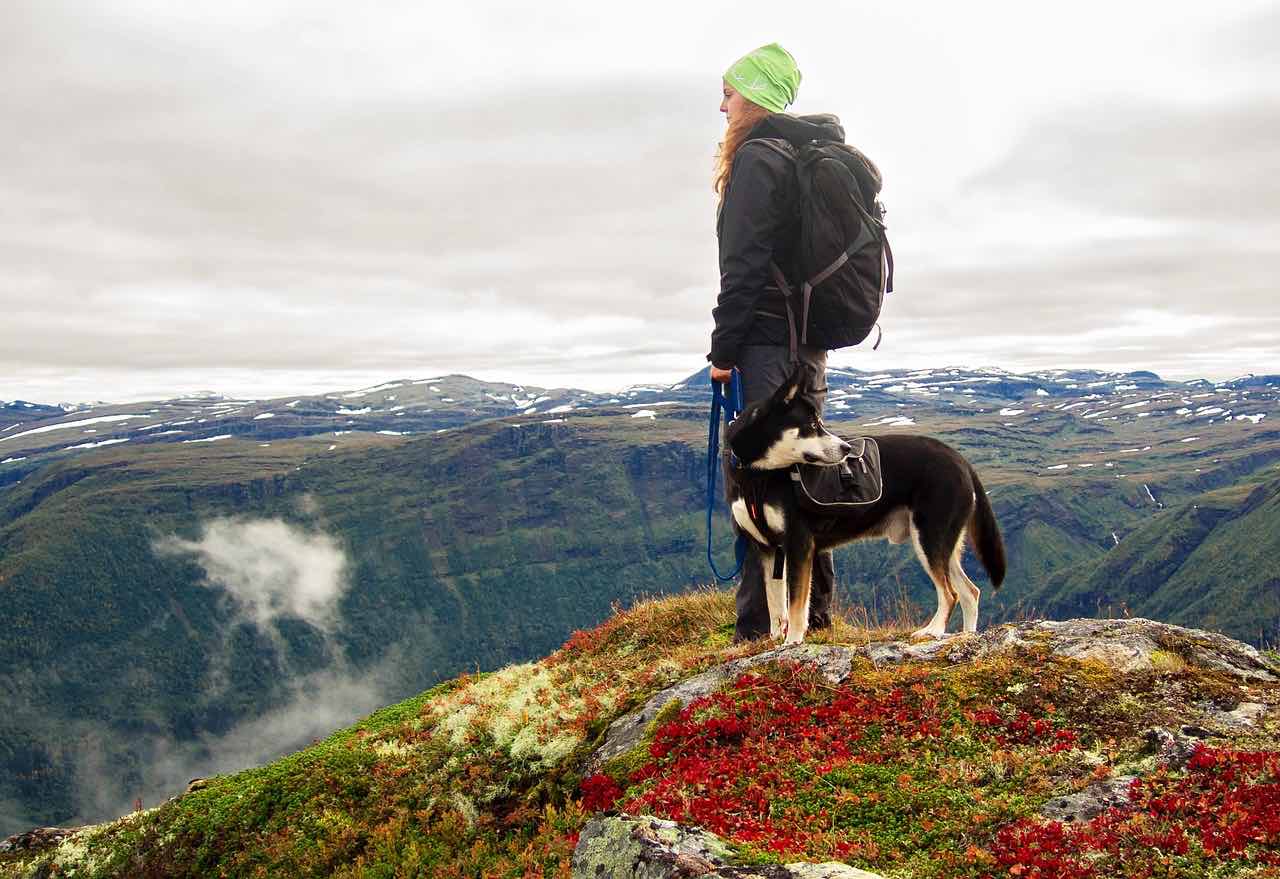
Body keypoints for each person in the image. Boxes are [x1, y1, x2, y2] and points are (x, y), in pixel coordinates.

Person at [707, 43, 841, 642]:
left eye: (730, 92)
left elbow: (743, 267)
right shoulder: (798, 156)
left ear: (755, 96)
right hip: (806, 345)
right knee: (805, 471)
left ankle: (758, 628)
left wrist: (723, 350)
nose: (723, 104)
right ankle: (813, 616)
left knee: (758, 479)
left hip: (766, 343)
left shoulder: (759, 159)